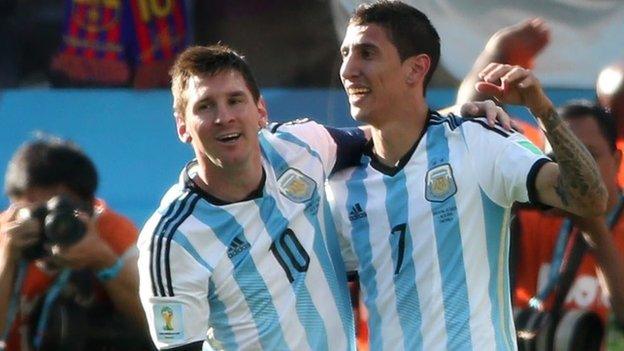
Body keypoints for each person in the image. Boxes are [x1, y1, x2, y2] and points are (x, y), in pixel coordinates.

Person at [136, 43, 511, 350]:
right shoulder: (171, 239)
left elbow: (385, 138)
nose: (224, 117)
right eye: (205, 106)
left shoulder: (300, 147)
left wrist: (456, 115)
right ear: (183, 126)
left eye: (235, 100)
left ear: (260, 110)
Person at [326, 1, 607, 350]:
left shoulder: (476, 140)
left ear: (415, 69)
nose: (348, 69)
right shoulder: (341, 184)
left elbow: (590, 200)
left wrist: (542, 110)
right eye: (345, 53)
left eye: (367, 53)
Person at [0, 137, 148, 350]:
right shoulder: (5, 232)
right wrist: (7, 258)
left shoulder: (110, 231)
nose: (51, 226)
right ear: (14, 206)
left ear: (89, 204)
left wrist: (105, 262)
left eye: (60, 212)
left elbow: (154, 325)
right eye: (38, 213)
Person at [514, 101, 624, 335]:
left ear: (616, 161)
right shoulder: (529, 218)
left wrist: (594, 228)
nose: (575, 170)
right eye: (558, 157)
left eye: (588, 156)